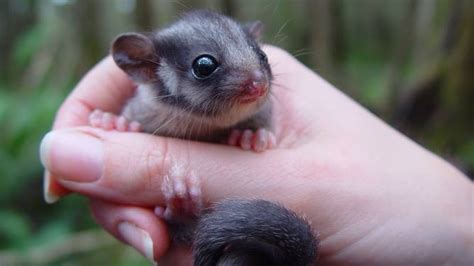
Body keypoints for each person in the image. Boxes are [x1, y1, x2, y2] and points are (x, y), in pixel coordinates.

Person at [39, 46, 473, 265]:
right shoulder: (142, 108)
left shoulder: (259, 119)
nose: (257, 83)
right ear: (149, 69)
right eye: (206, 67)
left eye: (259, 58)